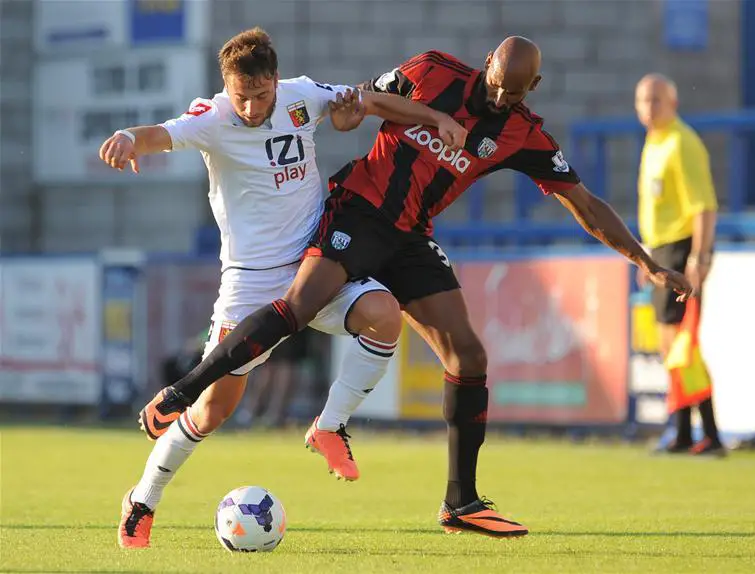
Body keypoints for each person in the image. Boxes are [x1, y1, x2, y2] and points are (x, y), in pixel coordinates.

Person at [142, 36, 694, 538]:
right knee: (298, 306)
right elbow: (366, 99)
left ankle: (461, 502)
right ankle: (181, 392)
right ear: (487, 64)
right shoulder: (431, 70)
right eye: (496, 85)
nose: (500, 98)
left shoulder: (522, 133)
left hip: (410, 239)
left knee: (468, 354)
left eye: (513, 93)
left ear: (533, 88)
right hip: (358, 211)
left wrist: (646, 263)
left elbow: (586, 204)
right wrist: (353, 113)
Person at [105, 27, 467, 549]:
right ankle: (142, 500)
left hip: (314, 268)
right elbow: (160, 134)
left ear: (275, 80)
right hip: (250, 284)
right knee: (212, 411)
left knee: (385, 315)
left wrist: (435, 118)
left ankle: (329, 426)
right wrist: (127, 137)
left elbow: (369, 102)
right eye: (242, 97)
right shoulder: (212, 118)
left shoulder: (302, 95)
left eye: (261, 95)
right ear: (227, 88)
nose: (252, 108)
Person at [634, 73, 724, 456]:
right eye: (643, 100)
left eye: (656, 100)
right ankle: (685, 431)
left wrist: (698, 257)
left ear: (673, 103)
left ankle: (708, 433)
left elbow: (703, 206)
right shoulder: (653, 142)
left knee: (682, 343)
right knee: (669, 344)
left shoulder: (681, 142)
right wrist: (645, 256)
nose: (649, 108)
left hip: (680, 248)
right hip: (660, 250)